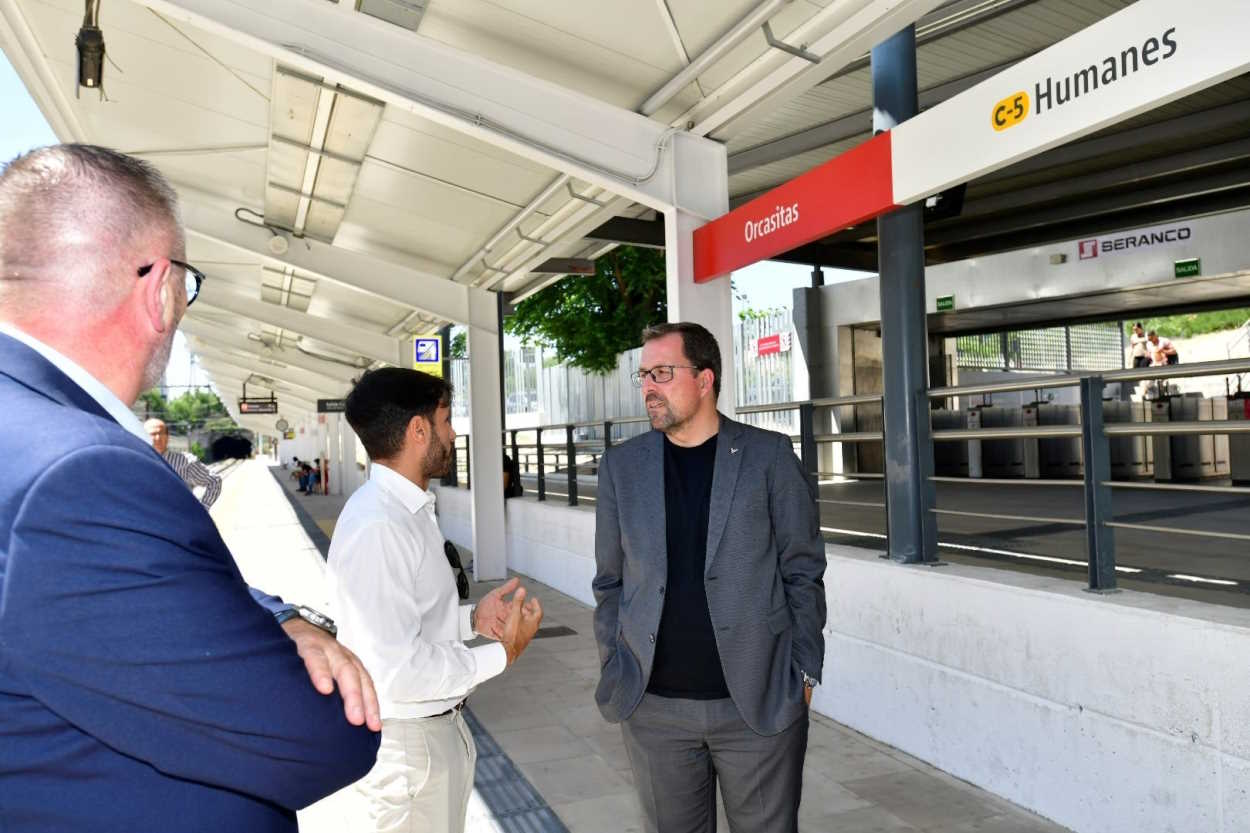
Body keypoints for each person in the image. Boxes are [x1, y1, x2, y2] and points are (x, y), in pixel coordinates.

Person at [0, 144, 381, 832]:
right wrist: (293, 628)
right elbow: (323, 736)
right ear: (159, 289)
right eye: (188, 283)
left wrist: (272, 613)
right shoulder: (83, 476)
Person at [593, 322, 827, 833]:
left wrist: (804, 672)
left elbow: (803, 569)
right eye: (644, 375)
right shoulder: (621, 467)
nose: (648, 386)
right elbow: (609, 582)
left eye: (662, 372)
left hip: (758, 704)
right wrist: (616, 664)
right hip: (654, 710)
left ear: (704, 380)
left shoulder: (768, 456)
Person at [328, 367, 544, 833]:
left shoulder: (406, 511)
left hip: (428, 739)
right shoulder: (380, 525)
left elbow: (410, 618)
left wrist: (472, 621)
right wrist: (501, 656)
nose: (453, 433)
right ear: (418, 430)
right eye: (446, 420)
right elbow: (396, 670)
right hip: (409, 752)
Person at [145, 417, 222, 507]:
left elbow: (214, 481)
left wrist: (202, 509)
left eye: (161, 433)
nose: (158, 438)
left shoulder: (185, 461)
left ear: (168, 437)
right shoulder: (137, 462)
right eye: (153, 434)